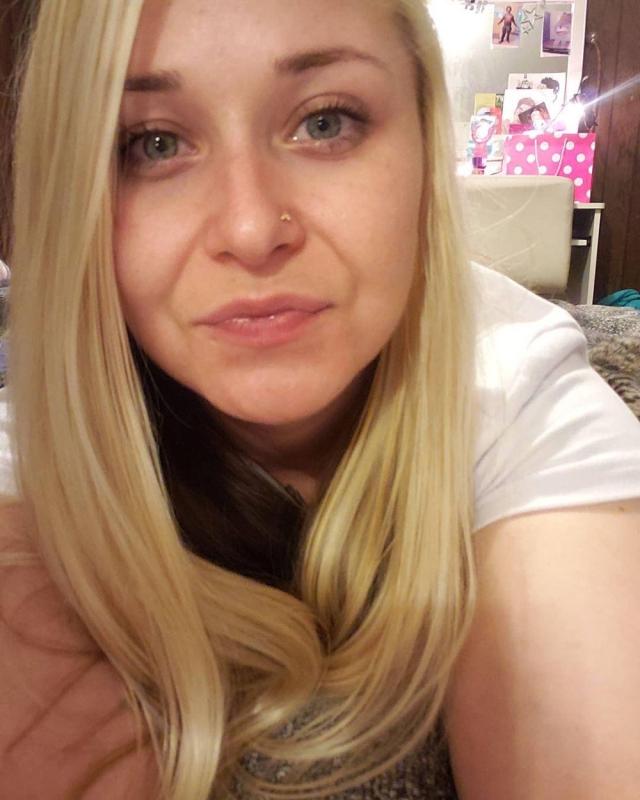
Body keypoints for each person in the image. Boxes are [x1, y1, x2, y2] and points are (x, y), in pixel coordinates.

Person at [1, 1, 640, 798]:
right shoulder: (35, 450)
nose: (250, 229)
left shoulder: (514, 380)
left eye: (325, 122)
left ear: (424, 143)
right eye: (153, 144)